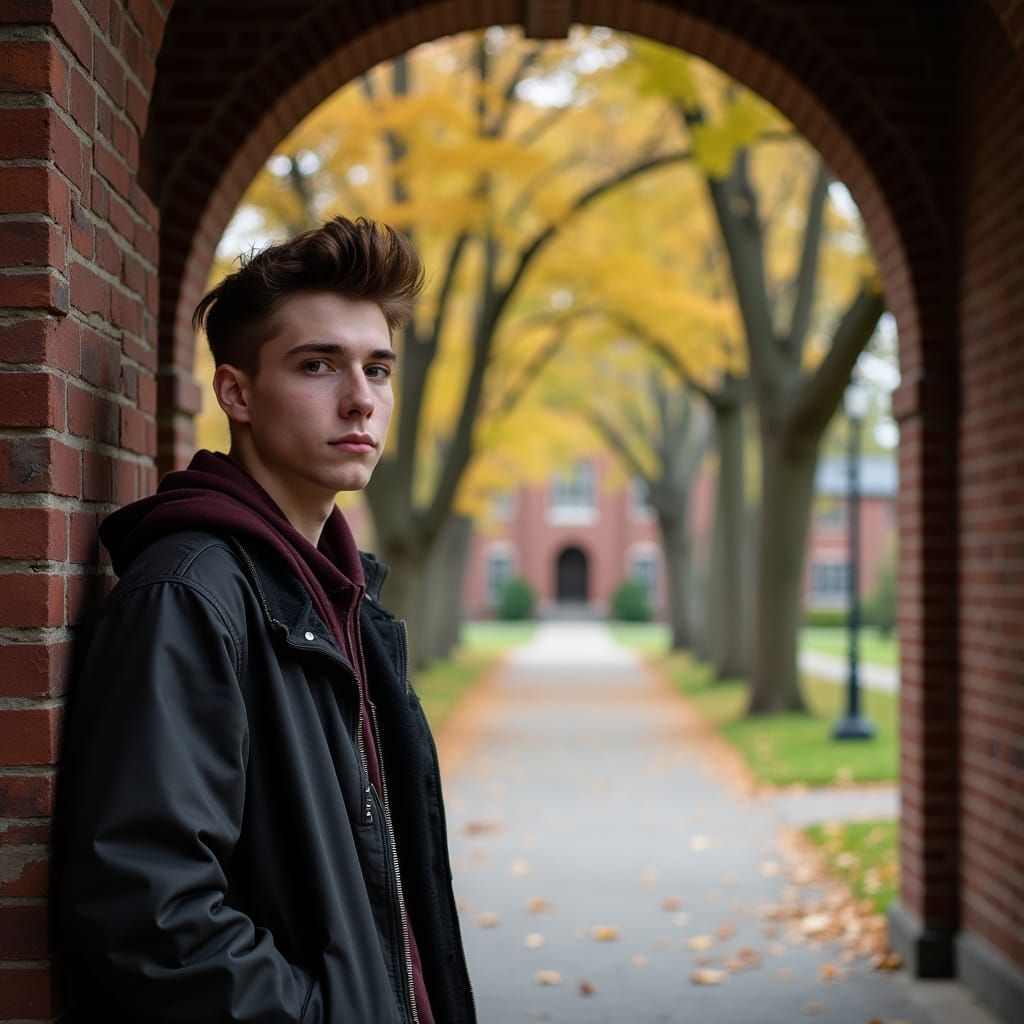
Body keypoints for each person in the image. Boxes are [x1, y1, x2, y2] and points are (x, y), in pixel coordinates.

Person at [55, 216, 476, 1023]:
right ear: (235, 392)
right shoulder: (190, 594)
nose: (361, 399)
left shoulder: (335, 595)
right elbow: (151, 913)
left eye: (378, 369)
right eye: (318, 365)